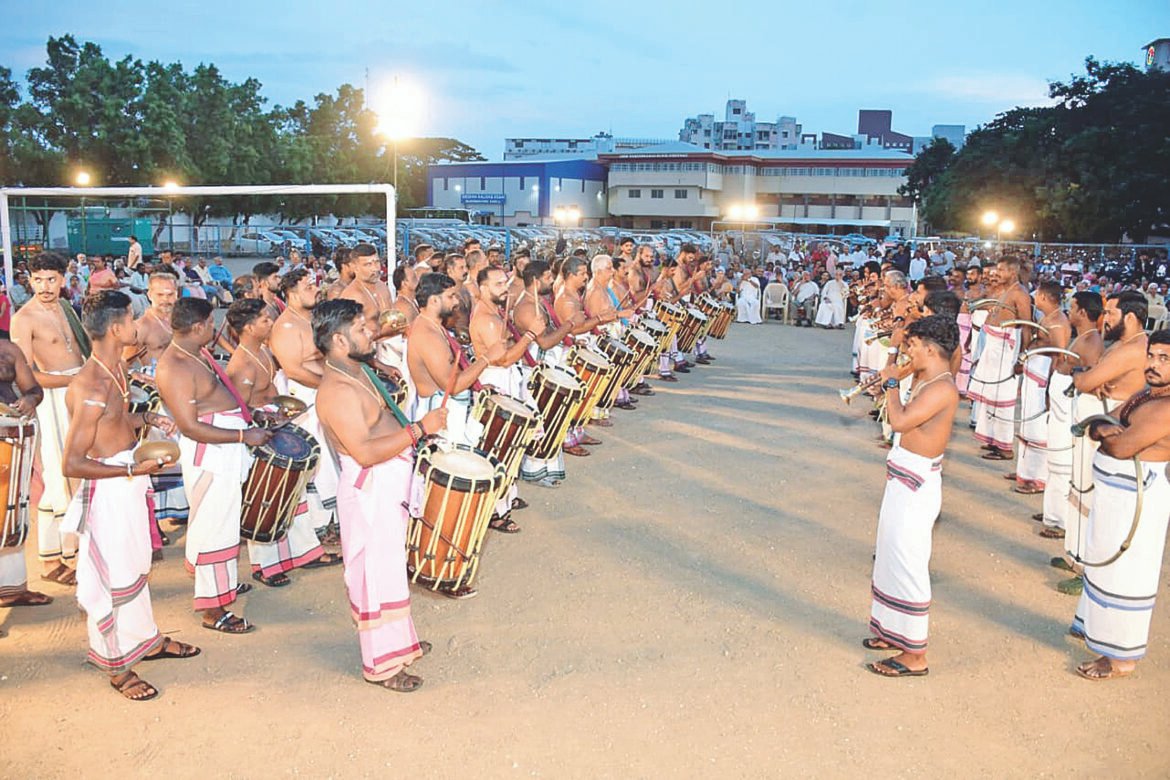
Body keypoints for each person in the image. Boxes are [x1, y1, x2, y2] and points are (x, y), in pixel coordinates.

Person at [61, 290, 199, 700]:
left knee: (136, 570)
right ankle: (116, 667)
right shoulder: (91, 383)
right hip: (109, 491)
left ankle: (148, 640)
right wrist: (128, 469)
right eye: (131, 317)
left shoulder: (116, 368)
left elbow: (116, 421)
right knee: (112, 581)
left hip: (127, 482)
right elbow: (72, 461)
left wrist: (147, 417)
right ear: (117, 327)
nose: (138, 322)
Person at [314, 299, 445, 691]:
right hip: (370, 490)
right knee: (375, 574)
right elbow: (366, 452)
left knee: (390, 569)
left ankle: (398, 643)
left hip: (388, 483)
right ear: (339, 340)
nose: (370, 331)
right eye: (360, 327)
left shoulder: (357, 368)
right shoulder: (336, 391)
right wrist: (420, 429)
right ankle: (382, 666)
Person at [156, 298, 273, 633]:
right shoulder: (174, 365)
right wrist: (242, 435)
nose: (214, 328)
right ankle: (213, 609)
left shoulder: (196, 353)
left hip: (224, 449)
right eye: (210, 323)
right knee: (213, 528)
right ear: (197, 327)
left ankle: (223, 587)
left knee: (223, 525)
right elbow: (190, 425)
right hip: (210, 454)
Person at [1068, 329, 1170, 680]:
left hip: (1139, 499)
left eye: (1164, 359)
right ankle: (1098, 633)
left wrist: (1108, 432)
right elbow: (1097, 424)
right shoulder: (1145, 395)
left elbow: (1120, 446)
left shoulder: (1166, 407)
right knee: (1105, 563)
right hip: (1115, 495)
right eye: (1152, 356)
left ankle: (1121, 658)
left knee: (1128, 574)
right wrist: (1105, 428)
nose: (1153, 364)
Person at [864, 315, 960, 677]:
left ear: (931, 349)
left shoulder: (942, 388)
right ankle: (891, 632)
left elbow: (901, 422)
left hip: (917, 483)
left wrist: (889, 385)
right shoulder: (926, 377)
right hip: (903, 475)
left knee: (907, 561)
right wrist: (886, 385)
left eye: (914, 346)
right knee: (889, 554)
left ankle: (915, 654)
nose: (909, 351)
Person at [10, 252, 89, 585]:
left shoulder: (67, 308)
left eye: (51, 279)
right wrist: (75, 381)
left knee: (79, 472)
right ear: (29, 280)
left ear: (63, 277)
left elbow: (83, 350)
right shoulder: (24, 318)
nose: (45, 286)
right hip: (52, 399)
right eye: (38, 279)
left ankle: (62, 555)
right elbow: (25, 375)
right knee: (61, 475)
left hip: (77, 392)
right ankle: (63, 558)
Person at [1040, 292, 1103, 541]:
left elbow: (1091, 378)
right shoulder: (1083, 337)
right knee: (1055, 461)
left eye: (1073, 307)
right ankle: (1052, 514)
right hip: (1060, 404)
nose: (1070, 310)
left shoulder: (1093, 342)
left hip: (1070, 407)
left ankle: (1062, 520)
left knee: (1065, 464)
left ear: (1084, 312)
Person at [407, 273, 489, 449]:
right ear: (434, 301)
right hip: (439, 420)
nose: (456, 302)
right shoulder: (427, 335)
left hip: (448, 414)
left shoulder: (435, 326)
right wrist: (486, 359)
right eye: (450, 296)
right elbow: (451, 386)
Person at [0, 336, 49, 616]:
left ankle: (12, 588)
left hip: (11, 439)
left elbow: (33, 389)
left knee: (10, 513)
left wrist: (29, 399)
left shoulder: (9, 350)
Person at [968, 257, 1032, 461]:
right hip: (993, 347)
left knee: (1002, 398)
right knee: (991, 397)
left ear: (1013, 272)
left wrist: (1022, 357)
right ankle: (993, 440)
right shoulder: (1006, 290)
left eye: (1001, 270)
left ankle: (1005, 447)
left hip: (1006, 350)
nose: (996, 274)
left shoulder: (1020, 293)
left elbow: (1026, 326)